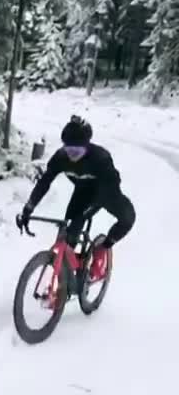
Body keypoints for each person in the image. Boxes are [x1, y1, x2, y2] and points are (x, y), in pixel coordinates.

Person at [18, 115, 136, 279]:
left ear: (87, 146)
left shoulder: (100, 158)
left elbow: (111, 185)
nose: (72, 154)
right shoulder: (61, 157)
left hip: (108, 191)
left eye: (77, 150)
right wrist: (28, 208)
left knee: (128, 218)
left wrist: (88, 211)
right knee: (68, 237)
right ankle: (64, 281)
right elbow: (44, 183)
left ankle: (102, 248)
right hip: (83, 191)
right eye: (68, 149)